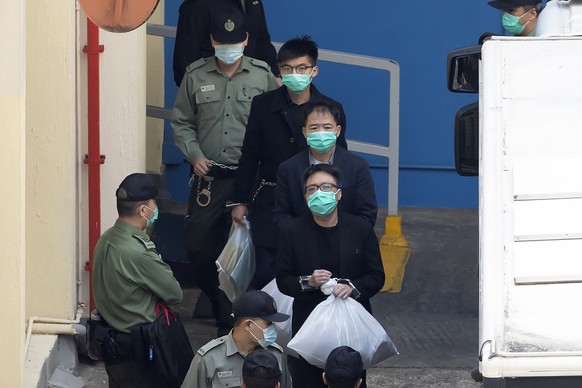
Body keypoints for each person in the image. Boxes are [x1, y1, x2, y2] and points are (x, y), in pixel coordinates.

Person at [171, 8, 279, 336]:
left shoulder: (262, 76)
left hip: (251, 180)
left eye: (234, 41)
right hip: (211, 180)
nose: (228, 47)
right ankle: (219, 306)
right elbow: (182, 121)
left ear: (246, 40)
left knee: (252, 253)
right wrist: (194, 154)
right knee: (200, 248)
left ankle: (241, 318)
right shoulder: (196, 75)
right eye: (221, 41)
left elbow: (272, 125)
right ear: (212, 41)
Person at [231, 35, 348, 289]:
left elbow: (341, 161)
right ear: (279, 71)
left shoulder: (330, 108)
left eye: (301, 68)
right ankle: (266, 326)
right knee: (266, 273)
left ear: (314, 70)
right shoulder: (263, 106)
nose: (294, 74)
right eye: (287, 69)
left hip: (315, 202)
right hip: (270, 201)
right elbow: (250, 154)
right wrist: (240, 200)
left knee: (314, 275)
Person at [276, 164, 384, 388]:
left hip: (351, 324)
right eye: (312, 189)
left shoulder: (360, 228)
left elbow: (376, 276)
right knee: (307, 380)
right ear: (305, 197)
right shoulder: (292, 231)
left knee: (348, 378)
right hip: (309, 325)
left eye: (326, 186)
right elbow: (283, 280)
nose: (319, 193)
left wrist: (352, 287)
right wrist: (309, 281)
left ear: (339, 193)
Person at [92, 173, 183, 388]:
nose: (157, 208)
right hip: (138, 350)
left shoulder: (107, 238)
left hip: (112, 343)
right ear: (144, 210)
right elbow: (175, 294)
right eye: (155, 204)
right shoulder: (138, 252)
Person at [273, 99, 377, 228]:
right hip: (302, 244)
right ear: (305, 132)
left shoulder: (357, 167)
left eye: (327, 127)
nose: (321, 133)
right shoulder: (288, 169)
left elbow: (367, 215)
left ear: (337, 131)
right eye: (314, 128)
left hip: (346, 243)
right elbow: (281, 215)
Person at [181, 290, 292, 388]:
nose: (272, 328)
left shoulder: (275, 354)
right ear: (248, 325)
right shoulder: (209, 358)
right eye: (268, 323)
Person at [173, 0, 278, 86]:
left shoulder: (253, 2)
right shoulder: (197, 4)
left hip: (250, 90)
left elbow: (262, 44)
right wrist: (197, 94)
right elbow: (184, 58)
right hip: (210, 94)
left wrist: (275, 76)